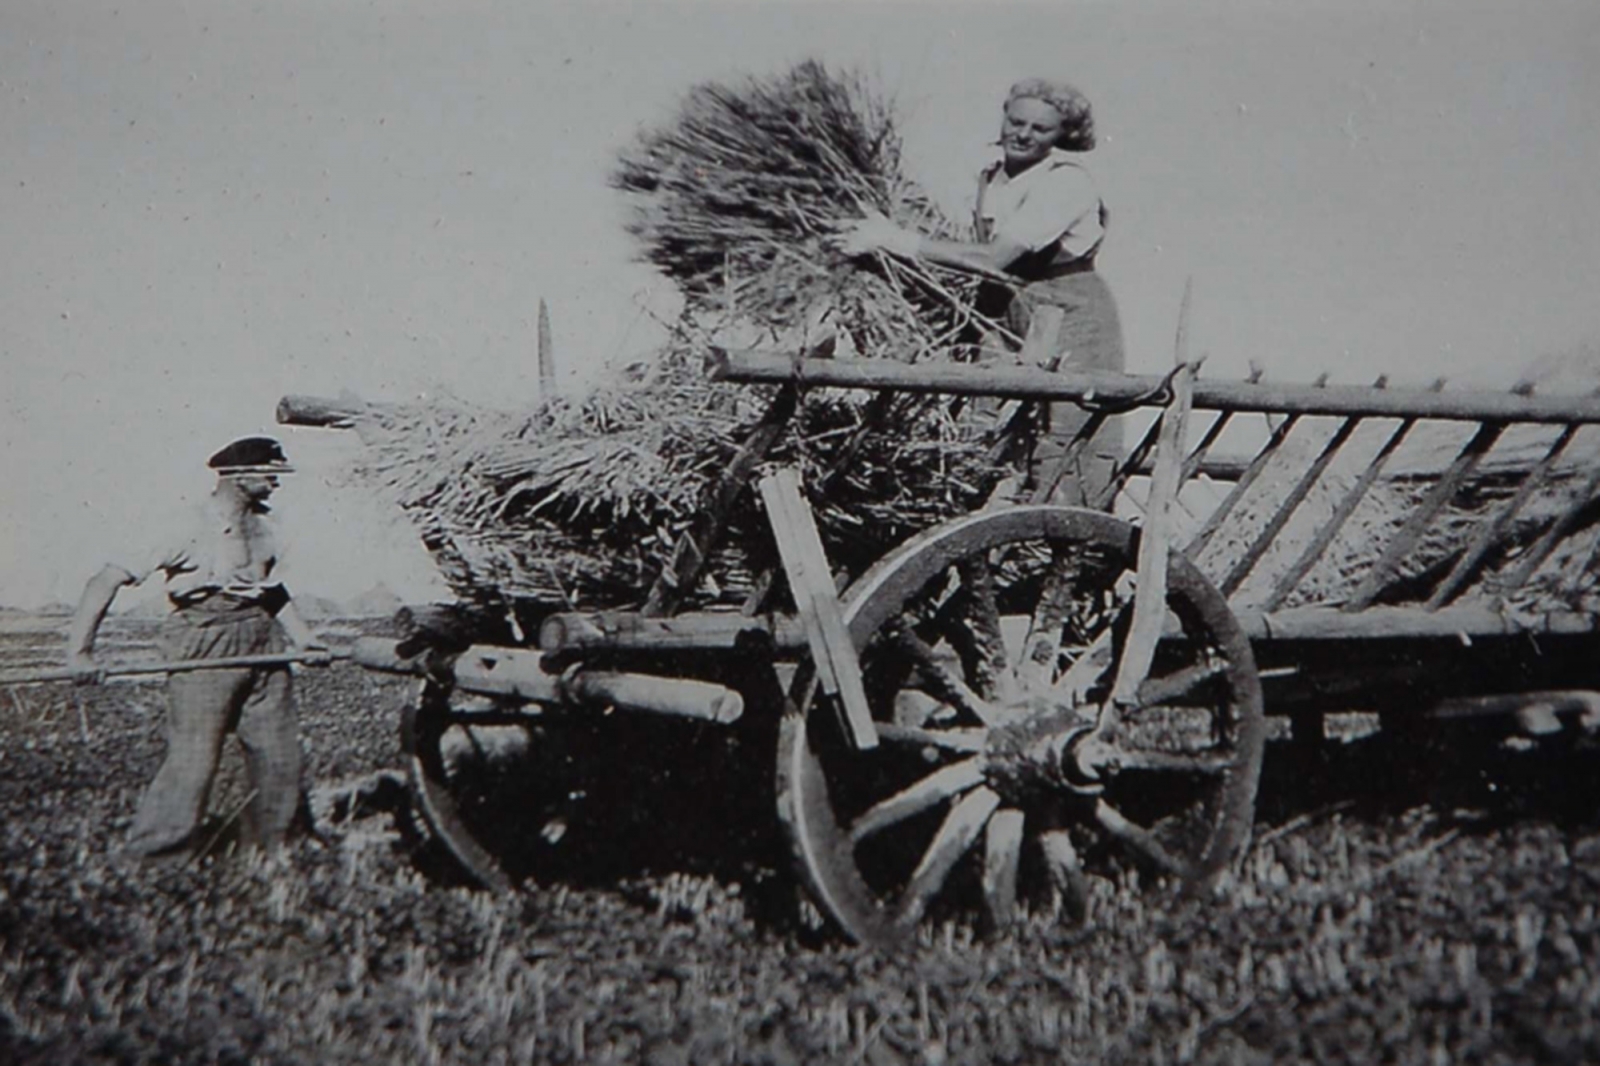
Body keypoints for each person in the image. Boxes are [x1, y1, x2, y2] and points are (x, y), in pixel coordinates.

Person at [841, 77, 1126, 507]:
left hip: (1071, 313)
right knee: (982, 428)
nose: (1023, 134)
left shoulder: (1065, 183)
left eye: (1040, 129)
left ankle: (1067, 556)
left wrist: (897, 241)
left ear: (1060, 137)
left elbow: (993, 257)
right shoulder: (991, 179)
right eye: (1017, 121)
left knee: (1067, 439)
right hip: (1005, 308)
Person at [66, 436, 329, 864]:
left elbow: (272, 590)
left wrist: (303, 638)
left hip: (263, 640)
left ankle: (273, 849)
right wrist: (80, 652)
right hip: (204, 641)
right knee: (195, 758)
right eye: (271, 473)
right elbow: (105, 580)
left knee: (279, 753)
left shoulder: (269, 526)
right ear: (239, 476)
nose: (278, 483)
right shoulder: (185, 524)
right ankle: (158, 858)